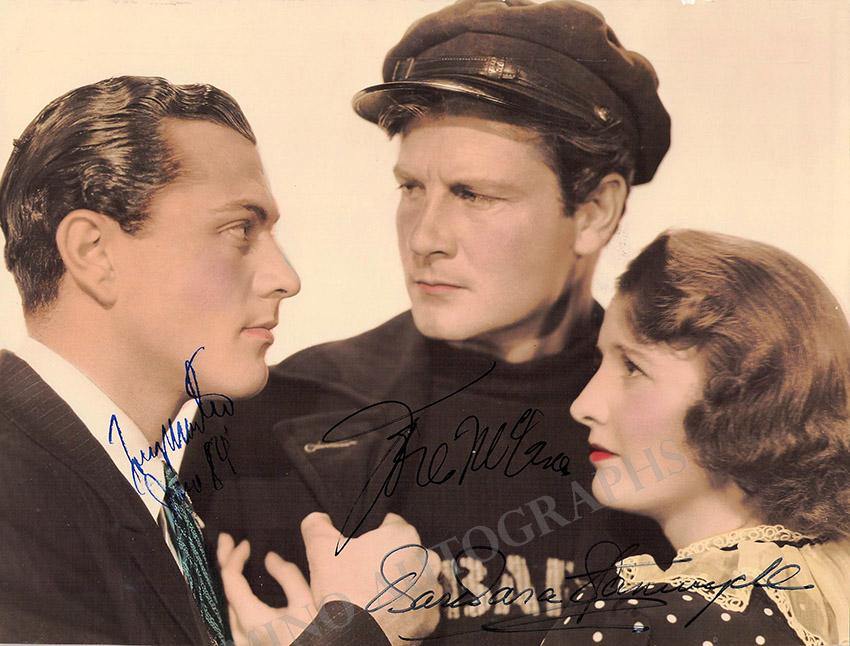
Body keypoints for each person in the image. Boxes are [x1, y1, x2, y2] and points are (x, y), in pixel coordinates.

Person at [185, 1, 675, 643]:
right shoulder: (271, 419)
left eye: (474, 194)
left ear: (594, 212)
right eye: (411, 188)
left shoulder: (700, 433)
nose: (425, 237)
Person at [0, 76, 439, 645]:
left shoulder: (133, 487)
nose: (286, 279)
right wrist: (358, 625)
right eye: (238, 230)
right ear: (94, 252)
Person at [540, 229, 850, 645]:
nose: (584, 405)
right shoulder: (826, 591)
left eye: (632, 367)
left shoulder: (634, 629)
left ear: (743, 403)